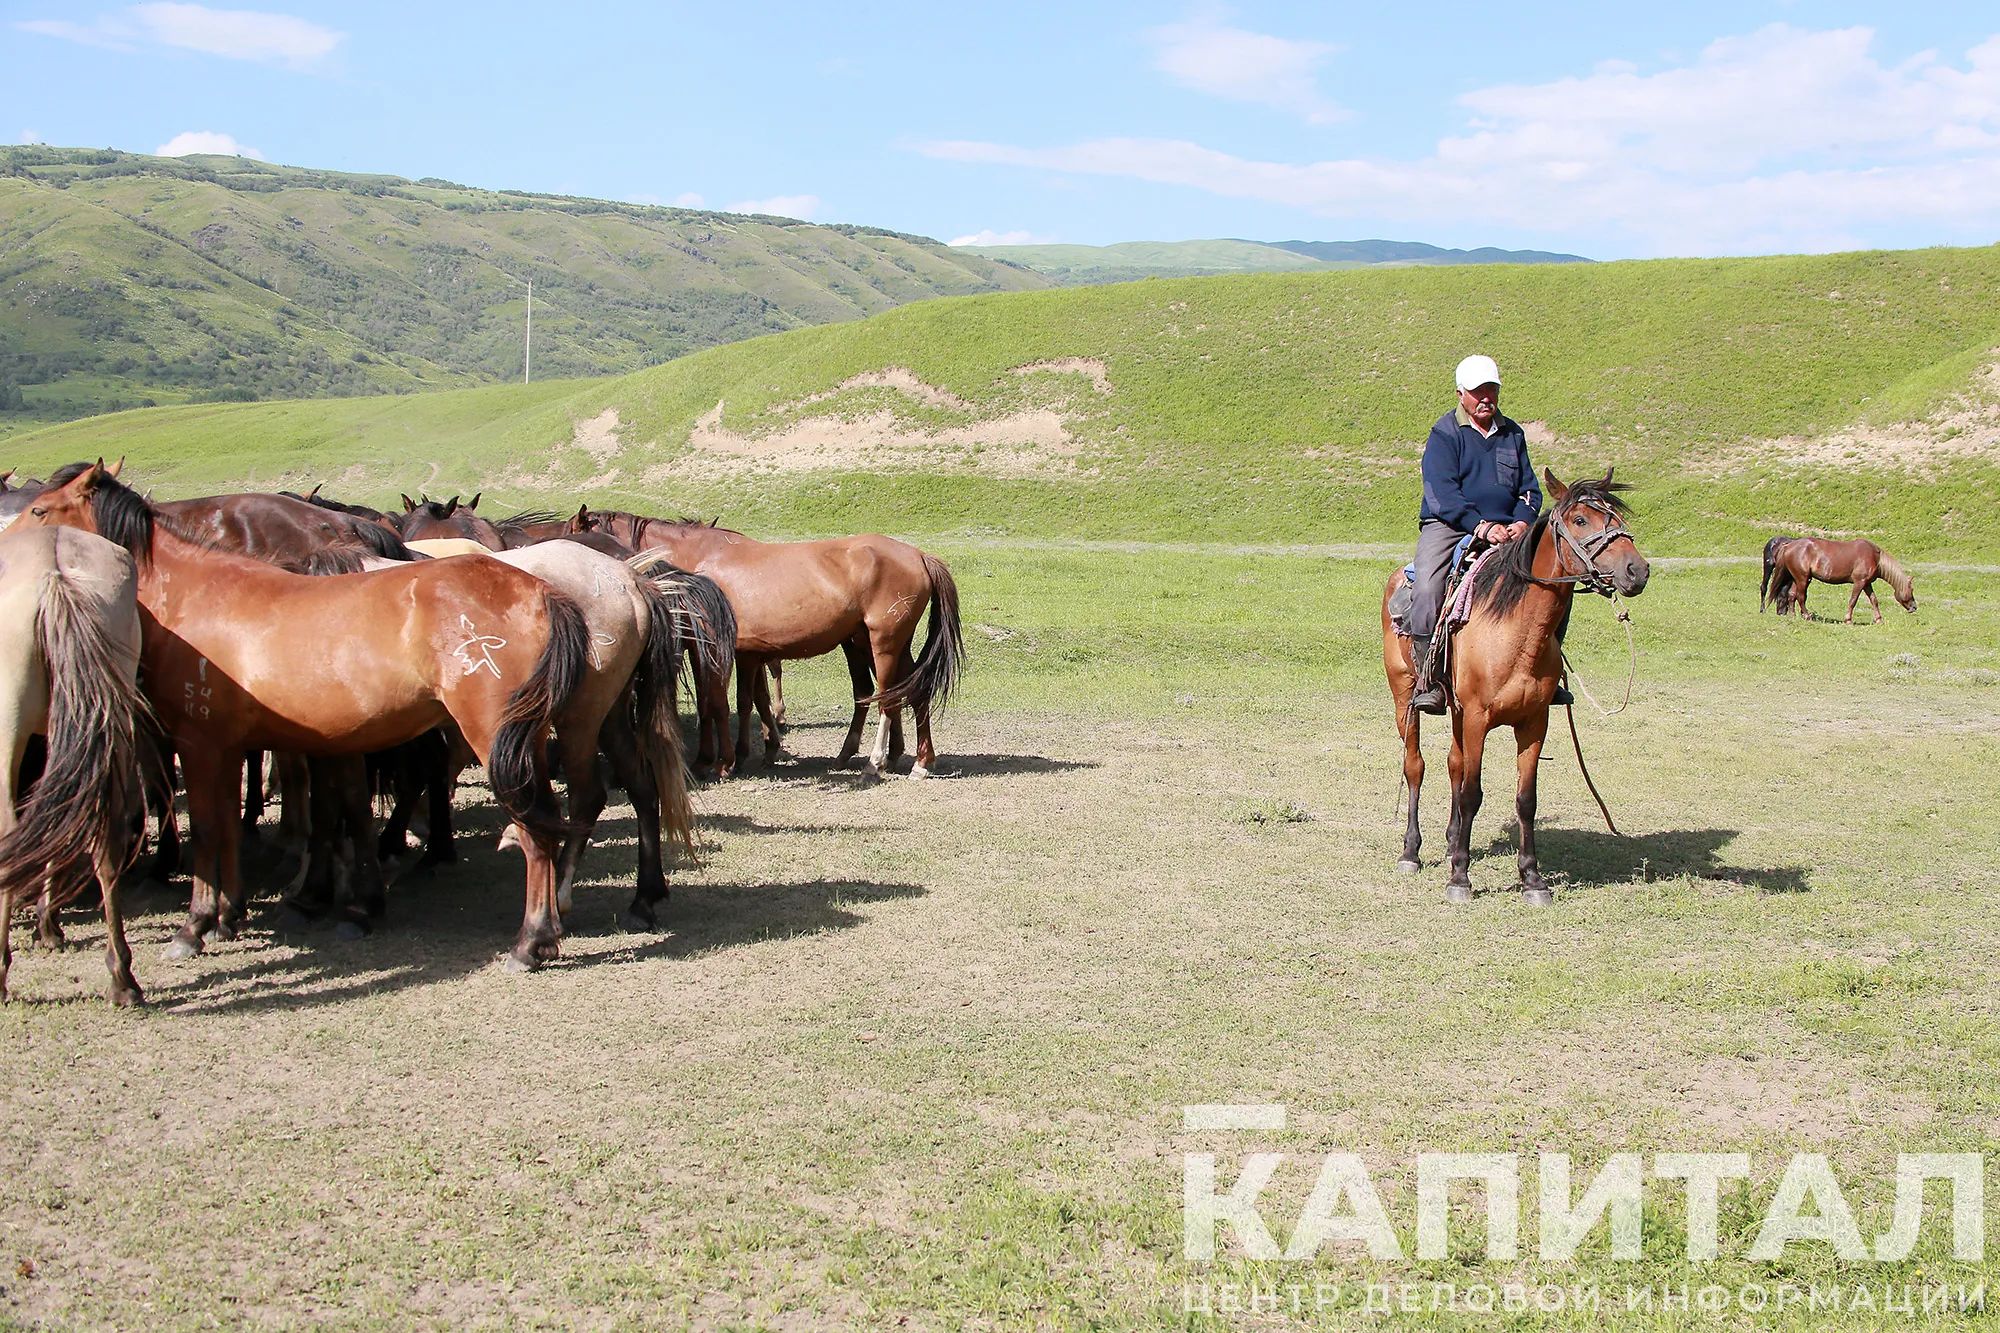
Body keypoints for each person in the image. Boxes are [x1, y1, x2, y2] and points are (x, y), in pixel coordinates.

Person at [1405, 354, 1563, 714]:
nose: (1486, 398)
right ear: (1461, 393)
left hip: (1509, 529)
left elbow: (1529, 490)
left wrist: (1523, 522)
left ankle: (1548, 673)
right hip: (1449, 525)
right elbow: (1441, 494)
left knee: (1556, 578)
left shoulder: (1513, 434)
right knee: (1428, 585)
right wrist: (1480, 526)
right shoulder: (1445, 434)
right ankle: (1428, 680)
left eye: (1491, 389)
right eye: (1478, 391)